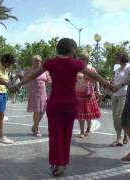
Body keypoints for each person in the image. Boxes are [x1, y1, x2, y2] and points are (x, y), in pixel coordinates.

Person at [12, 38, 112, 176]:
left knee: (55, 135)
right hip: (71, 105)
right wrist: (108, 83)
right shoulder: (76, 64)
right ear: (72, 50)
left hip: (55, 104)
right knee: (66, 135)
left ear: (58, 49)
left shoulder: (50, 63)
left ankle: (57, 163)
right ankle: (63, 162)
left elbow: (32, 75)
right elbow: (93, 74)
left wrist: (17, 85)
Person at [75, 52, 101, 138]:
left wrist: (98, 90)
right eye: (80, 59)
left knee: (88, 114)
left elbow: (97, 80)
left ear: (87, 60)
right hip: (78, 94)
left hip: (88, 94)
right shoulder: (77, 69)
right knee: (80, 114)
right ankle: (82, 131)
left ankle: (88, 127)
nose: (81, 61)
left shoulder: (91, 69)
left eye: (83, 59)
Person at [25, 55, 51, 137]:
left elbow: (49, 81)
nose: (38, 62)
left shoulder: (45, 71)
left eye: (39, 60)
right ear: (32, 61)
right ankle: (37, 128)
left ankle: (34, 126)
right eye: (36, 60)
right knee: (37, 111)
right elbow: (24, 80)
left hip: (43, 94)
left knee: (42, 111)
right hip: (34, 94)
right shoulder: (29, 71)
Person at [110, 52, 130, 146]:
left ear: (122, 57)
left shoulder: (129, 67)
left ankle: (125, 135)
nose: (115, 58)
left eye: (117, 57)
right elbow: (115, 82)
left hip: (125, 95)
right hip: (115, 95)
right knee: (115, 118)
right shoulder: (117, 69)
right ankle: (119, 138)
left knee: (120, 116)